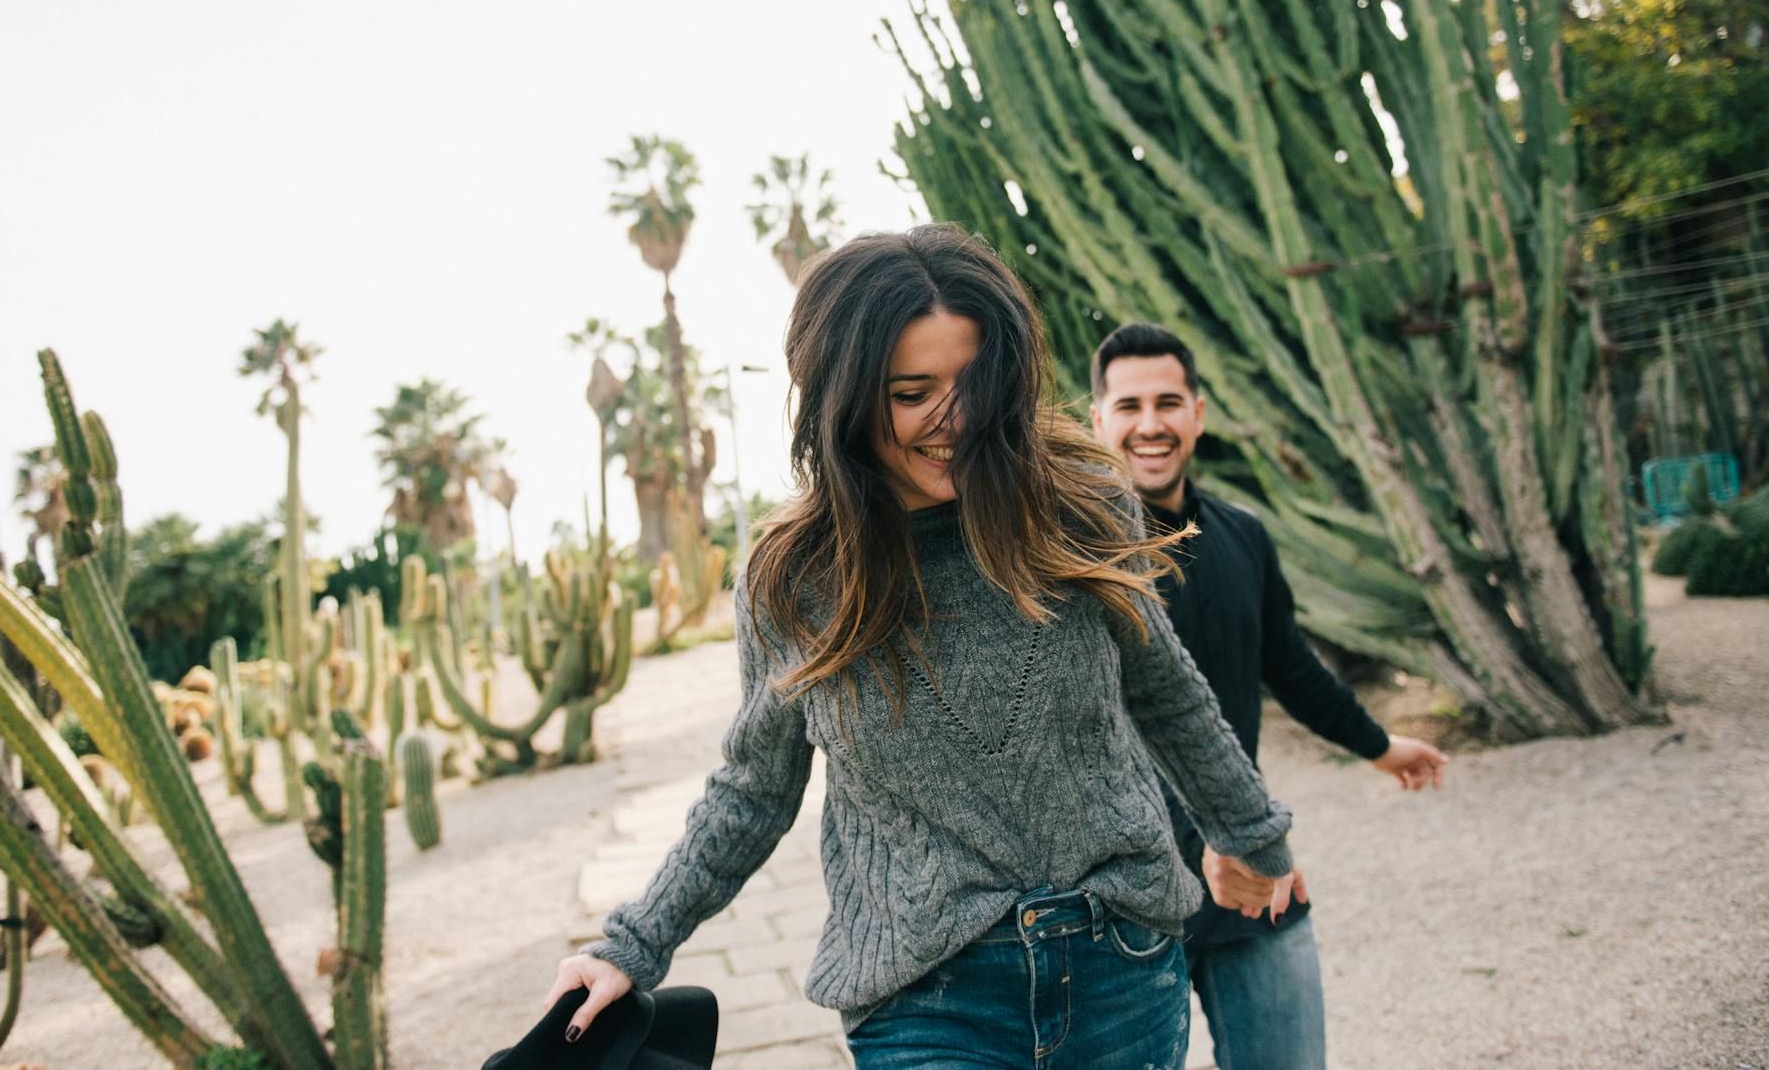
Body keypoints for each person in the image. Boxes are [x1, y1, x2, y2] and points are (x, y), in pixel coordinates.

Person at [542, 225, 1295, 1068]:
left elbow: (1165, 690)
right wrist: (632, 943)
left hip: (1117, 966)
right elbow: (753, 787)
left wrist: (1251, 832)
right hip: (924, 998)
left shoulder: (1078, 507)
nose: (956, 419)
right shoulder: (793, 578)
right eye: (911, 391)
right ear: (846, 398)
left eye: (976, 382)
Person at [1089, 321, 1450, 1070]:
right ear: (1098, 419)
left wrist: (1382, 747)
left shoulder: (1242, 534)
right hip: (1117, 900)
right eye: (1128, 406)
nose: (1150, 424)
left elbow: (1288, 664)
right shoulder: (1076, 553)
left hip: (1247, 877)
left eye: (1168, 401)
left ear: (1199, 411)